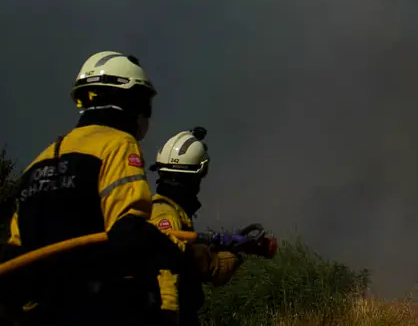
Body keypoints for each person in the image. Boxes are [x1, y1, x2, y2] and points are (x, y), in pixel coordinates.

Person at [4, 51, 186, 326]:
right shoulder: (117, 144)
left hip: (43, 313)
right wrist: (180, 254)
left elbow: (17, 253)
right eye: (144, 104)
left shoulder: (38, 164)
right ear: (130, 101)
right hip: (99, 308)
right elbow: (128, 231)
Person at [149, 127, 244, 326]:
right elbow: (166, 271)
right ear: (193, 178)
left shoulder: (173, 212)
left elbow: (185, 257)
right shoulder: (166, 216)